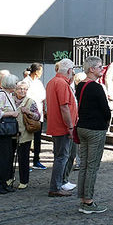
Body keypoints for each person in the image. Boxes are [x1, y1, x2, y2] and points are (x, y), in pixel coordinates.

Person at [73, 57, 110, 214]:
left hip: (82, 127)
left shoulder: (80, 85)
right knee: (92, 166)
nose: (102, 69)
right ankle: (88, 202)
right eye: (100, 67)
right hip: (95, 130)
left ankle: (83, 198)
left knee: (85, 165)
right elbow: (106, 110)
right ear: (91, 69)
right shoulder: (96, 87)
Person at [45, 59, 78, 197]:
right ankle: (56, 186)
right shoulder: (61, 83)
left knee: (61, 156)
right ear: (69, 71)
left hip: (57, 125)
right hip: (63, 127)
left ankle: (58, 184)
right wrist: (70, 127)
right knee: (62, 157)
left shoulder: (52, 82)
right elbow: (64, 107)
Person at [0, 73, 20, 194]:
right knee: (3, 159)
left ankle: (3, 183)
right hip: (1, 132)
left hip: (7, 132)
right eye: (16, 83)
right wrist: (11, 114)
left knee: (7, 158)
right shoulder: (2, 95)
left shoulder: (9, 95)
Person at [13, 80, 41, 189]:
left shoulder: (30, 101)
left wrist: (28, 112)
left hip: (25, 134)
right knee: (9, 157)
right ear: (15, 90)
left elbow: (38, 116)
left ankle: (24, 181)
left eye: (25, 89)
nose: (22, 91)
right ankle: (10, 178)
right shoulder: (10, 100)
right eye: (20, 89)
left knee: (23, 158)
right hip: (10, 133)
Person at [25, 63, 47, 169]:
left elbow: (43, 96)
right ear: (36, 71)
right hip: (28, 113)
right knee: (27, 138)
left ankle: (36, 160)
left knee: (37, 138)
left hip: (39, 112)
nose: (41, 73)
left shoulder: (38, 82)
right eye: (40, 71)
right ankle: (25, 162)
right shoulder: (25, 82)